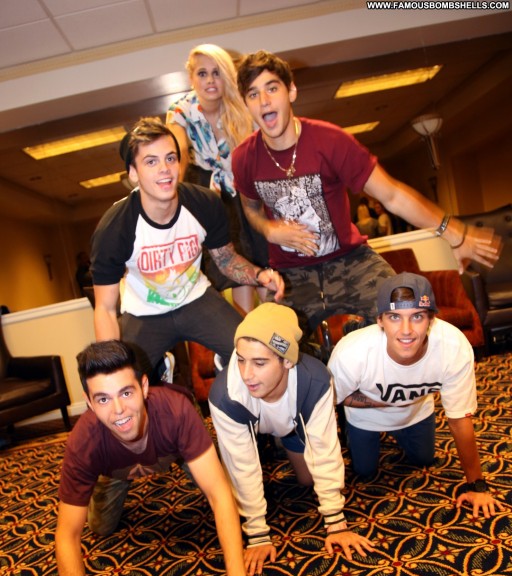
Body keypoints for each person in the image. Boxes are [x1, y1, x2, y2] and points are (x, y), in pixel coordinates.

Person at [232, 50, 500, 337]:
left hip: (350, 261)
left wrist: (454, 233)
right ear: (246, 103)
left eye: (272, 88)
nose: (264, 101)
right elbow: (251, 209)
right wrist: (269, 230)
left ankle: (360, 335)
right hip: (290, 275)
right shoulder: (244, 158)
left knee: (404, 315)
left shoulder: (330, 141)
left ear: (291, 91)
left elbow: (392, 195)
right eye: (253, 94)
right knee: (270, 347)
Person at [51, 340, 269, 576]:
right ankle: (117, 476)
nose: (118, 410)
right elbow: (67, 535)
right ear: (89, 403)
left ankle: (188, 449)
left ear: (144, 387)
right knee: (100, 527)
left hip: (173, 450)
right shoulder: (83, 442)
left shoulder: (175, 410)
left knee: (219, 487)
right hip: (115, 468)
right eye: (103, 399)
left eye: (126, 393)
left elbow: (219, 496)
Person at [90, 116, 284, 381]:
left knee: (250, 353)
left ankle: (223, 362)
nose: (164, 169)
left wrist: (260, 275)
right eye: (151, 162)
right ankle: (159, 367)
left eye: (170, 158)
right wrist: (111, 371)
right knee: (126, 380)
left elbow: (226, 260)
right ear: (133, 173)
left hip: (196, 298)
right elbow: (105, 309)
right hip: (144, 312)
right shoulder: (115, 228)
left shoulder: (203, 204)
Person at [208, 303, 375, 576]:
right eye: (240, 359)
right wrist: (257, 534)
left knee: (307, 480)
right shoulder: (225, 395)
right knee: (238, 469)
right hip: (248, 420)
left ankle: (284, 439)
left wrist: (336, 523)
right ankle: (267, 438)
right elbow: (242, 467)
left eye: (259, 363)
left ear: (287, 361)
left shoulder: (315, 381)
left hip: (294, 419)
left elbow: (325, 449)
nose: (246, 374)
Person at [328, 272, 504, 519]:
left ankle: (401, 431)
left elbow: (459, 419)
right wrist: (382, 402)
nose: (406, 331)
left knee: (424, 459)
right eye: (394, 317)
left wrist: (477, 486)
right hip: (365, 417)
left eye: (417, 317)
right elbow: (331, 401)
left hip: (417, 410)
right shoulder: (351, 352)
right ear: (380, 320)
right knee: (365, 471)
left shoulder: (453, 347)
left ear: (432, 319)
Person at [167, 44, 268, 313]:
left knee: (265, 262)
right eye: (202, 73)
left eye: (217, 73)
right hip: (212, 192)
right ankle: (247, 327)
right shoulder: (180, 111)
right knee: (236, 264)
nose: (210, 80)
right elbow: (178, 153)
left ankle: (277, 324)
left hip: (248, 186)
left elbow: (264, 147)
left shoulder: (241, 105)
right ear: (191, 78)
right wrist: (169, 198)